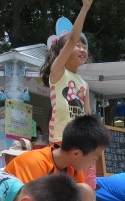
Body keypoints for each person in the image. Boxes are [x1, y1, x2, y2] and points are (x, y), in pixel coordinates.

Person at [4, 115, 125, 201]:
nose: (93, 164)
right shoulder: (35, 162)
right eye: (94, 157)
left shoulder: (71, 168)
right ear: (76, 153)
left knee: (85, 192)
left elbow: (88, 200)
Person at [40, 0, 93, 144]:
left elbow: (87, 118)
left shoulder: (84, 85)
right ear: (63, 52)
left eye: (84, 47)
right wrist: (85, 8)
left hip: (79, 142)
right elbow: (71, 39)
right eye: (77, 46)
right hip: (60, 140)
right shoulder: (58, 71)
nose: (83, 49)